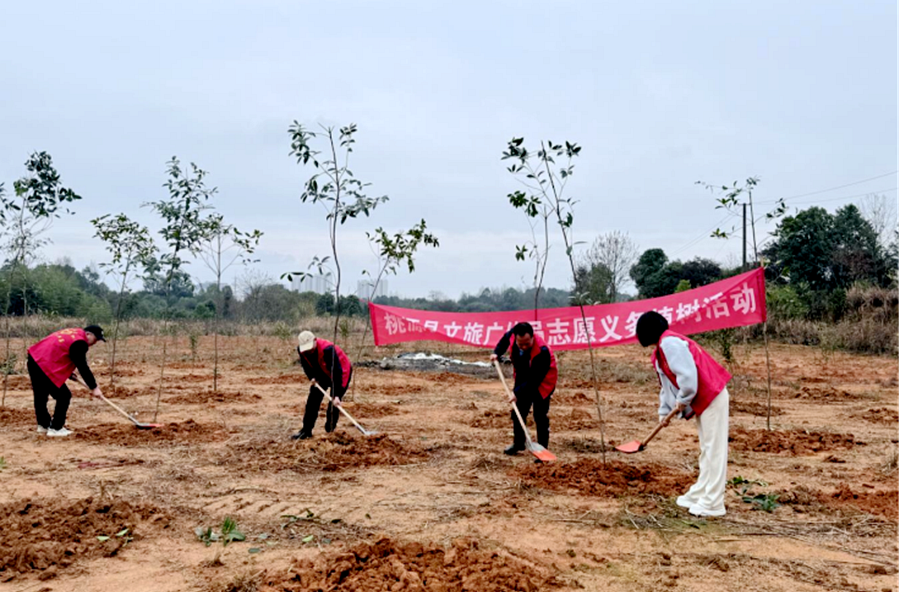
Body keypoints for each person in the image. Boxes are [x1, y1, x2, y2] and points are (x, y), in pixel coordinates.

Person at [636, 311, 732, 518]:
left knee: (714, 450)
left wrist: (683, 400)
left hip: (711, 395)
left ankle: (713, 502)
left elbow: (688, 376)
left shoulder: (670, 344)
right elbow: (667, 386)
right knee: (706, 448)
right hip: (703, 400)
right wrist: (664, 411)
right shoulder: (659, 352)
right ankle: (700, 492)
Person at [490, 322, 558, 456]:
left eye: (527, 344)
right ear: (515, 338)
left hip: (543, 382)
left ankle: (542, 449)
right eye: (520, 344)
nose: (524, 347)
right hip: (523, 377)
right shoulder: (512, 335)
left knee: (539, 415)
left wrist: (517, 392)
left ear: (533, 337)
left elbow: (534, 380)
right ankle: (519, 443)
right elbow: (504, 341)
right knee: (518, 412)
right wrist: (496, 353)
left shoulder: (542, 351)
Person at [27, 325, 105, 437]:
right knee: (64, 395)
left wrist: (68, 373)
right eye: (96, 339)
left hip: (34, 358)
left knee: (41, 394)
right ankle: (56, 428)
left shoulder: (74, 333)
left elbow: (62, 351)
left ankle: (43, 425)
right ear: (88, 334)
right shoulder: (80, 342)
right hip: (44, 364)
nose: (95, 342)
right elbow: (82, 366)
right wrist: (94, 387)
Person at [293, 330, 353, 440]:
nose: (309, 351)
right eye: (306, 349)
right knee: (313, 400)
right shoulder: (302, 351)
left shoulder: (328, 350)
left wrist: (337, 395)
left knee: (333, 404)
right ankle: (306, 430)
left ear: (315, 341)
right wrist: (312, 377)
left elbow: (337, 372)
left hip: (341, 372)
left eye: (310, 348)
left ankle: (330, 432)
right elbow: (306, 365)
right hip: (322, 372)